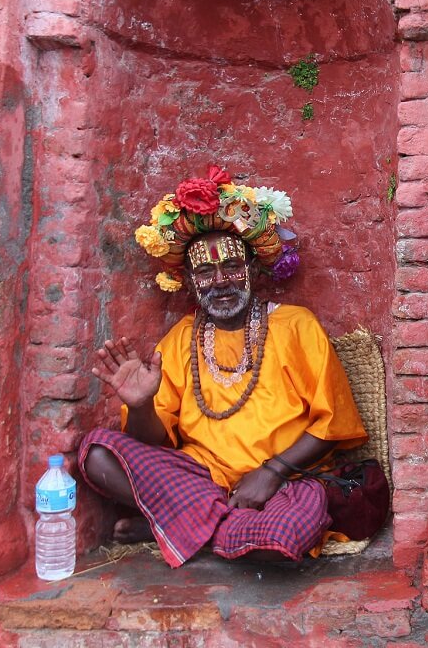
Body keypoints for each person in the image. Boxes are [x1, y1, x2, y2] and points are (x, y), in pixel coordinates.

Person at [80, 165, 367, 567]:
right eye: (205, 272)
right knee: (98, 453)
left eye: (231, 267)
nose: (220, 281)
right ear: (192, 282)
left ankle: (180, 524)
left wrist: (270, 473)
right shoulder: (181, 339)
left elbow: (332, 425)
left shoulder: (295, 325)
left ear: (252, 270)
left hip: (286, 480)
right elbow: (153, 443)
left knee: (280, 540)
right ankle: (209, 519)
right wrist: (142, 403)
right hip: (200, 482)